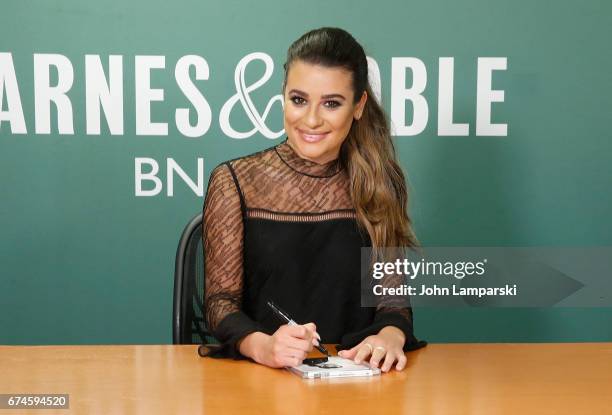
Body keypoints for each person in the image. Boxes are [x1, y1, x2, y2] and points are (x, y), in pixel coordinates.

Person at [201, 27, 425, 373]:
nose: (311, 120)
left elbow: (392, 302)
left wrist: (391, 337)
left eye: (331, 103)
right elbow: (219, 304)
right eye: (299, 99)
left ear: (358, 106)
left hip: (359, 381)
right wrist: (264, 347)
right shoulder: (234, 182)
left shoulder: (382, 184)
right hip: (261, 381)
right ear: (284, 96)